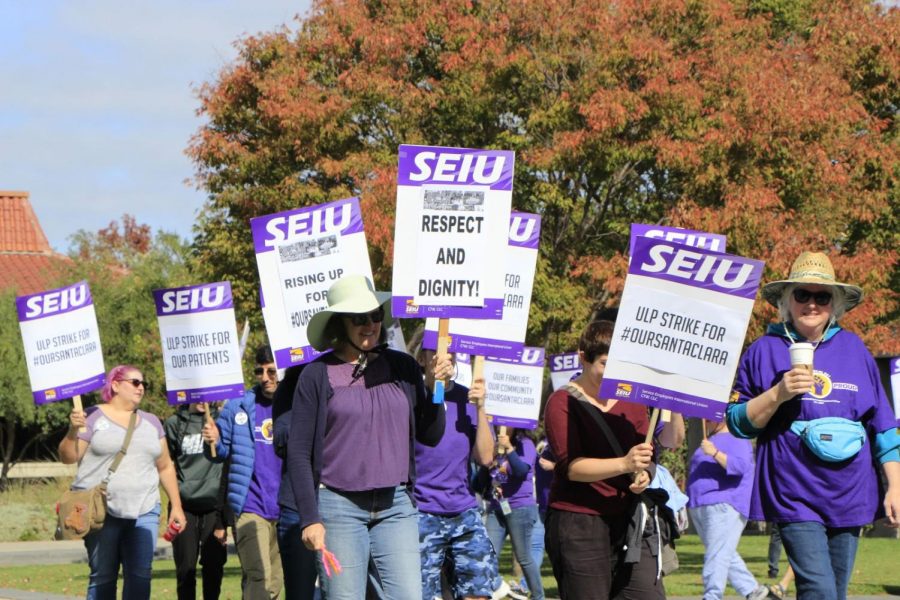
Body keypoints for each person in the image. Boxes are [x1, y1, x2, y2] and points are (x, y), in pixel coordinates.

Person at [726, 251, 900, 600]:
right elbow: (737, 423)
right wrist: (778, 393)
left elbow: (883, 426)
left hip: (850, 493)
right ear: (786, 300)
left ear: (834, 303)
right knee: (818, 590)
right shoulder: (763, 351)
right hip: (793, 492)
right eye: (802, 294)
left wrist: (895, 485)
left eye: (822, 296)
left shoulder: (855, 349)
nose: (811, 304)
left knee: (835, 592)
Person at [287, 274, 447, 599]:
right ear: (338, 323)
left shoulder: (402, 366)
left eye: (375, 315)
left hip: (396, 505)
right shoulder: (315, 376)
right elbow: (299, 452)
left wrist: (435, 389)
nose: (370, 324)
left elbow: (431, 434)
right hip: (338, 507)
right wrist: (310, 519)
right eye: (359, 318)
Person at [543, 320, 684, 600]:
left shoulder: (631, 399)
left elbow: (657, 448)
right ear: (583, 357)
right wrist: (624, 464)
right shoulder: (562, 402)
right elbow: (570, 467)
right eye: (605, 364)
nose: (611, 373)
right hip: (579, 524)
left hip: (631, 521)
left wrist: (640, 475)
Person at [59, 364, 187, 600]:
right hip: (101, 512)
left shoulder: (152, 422)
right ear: (115, 385)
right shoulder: (91, 416)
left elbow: (165, 466)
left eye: (143, 384)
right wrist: (72, 431)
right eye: (135, 382)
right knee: (103, 576)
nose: (141, 388)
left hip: (145, 510)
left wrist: (176, 506)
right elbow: (68, 457)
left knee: (140, 576)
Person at [414, 349, 499, 600]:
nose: (444, 357)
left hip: (463, 511)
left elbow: (485, 458)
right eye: (435, 351)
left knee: (477, 592)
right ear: (421, 358)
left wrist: (481, 408)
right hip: (421, 511)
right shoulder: (411, 396)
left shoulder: (467, 398)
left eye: (449, 352)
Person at [203, 345, 283, 599]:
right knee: (258, 575)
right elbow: (220, 452)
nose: (265, 377)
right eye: (259, 371)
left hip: (286, 508)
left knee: (276, 580)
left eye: (271, 371)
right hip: (249, 506)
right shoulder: (236, 407)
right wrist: (212, 441)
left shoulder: (297, 403)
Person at [686, 420, 769, 600]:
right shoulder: (711, 439)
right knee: (722, 552)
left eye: (708, 417)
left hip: (723, 504)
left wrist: (714, 453)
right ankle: (752, 590)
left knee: (717, 553)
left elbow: (740, 467)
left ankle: (712, 596)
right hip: (702, 504)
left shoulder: (737, 438)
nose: (704, 421)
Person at [164, 402, 229, 600]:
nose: (202, 400)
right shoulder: (174, 423)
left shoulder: (223, 420)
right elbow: (166, 465)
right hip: (184, 507)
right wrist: (175, 503)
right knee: (185, 569)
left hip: (215, 507)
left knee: (213, 567)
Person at [273, 364, 319, 599]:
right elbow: (281, 443)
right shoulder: (289, 389)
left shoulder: (345, 382)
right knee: (301, 593)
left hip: (341, 503)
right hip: (297, 507)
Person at [484, 428, 545, 600]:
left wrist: (509, 448)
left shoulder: (526, 444)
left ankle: (538, 596)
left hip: (520, 508)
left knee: (523, 556)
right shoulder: (493, 443)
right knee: (487, 553)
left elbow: (520, 471)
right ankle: (492, 589)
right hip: (497, 506)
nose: (500, 425)